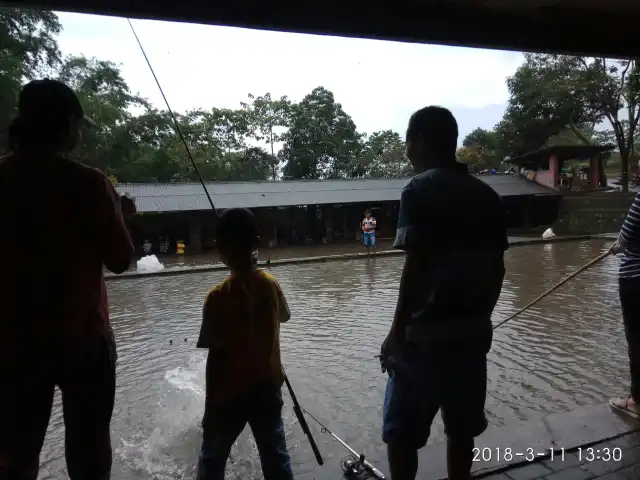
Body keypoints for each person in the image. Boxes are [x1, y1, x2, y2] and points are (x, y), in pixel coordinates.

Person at [0, 79, 136, 480]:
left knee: (15, 454)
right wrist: (123, 218)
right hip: (83, 341)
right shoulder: (89, 184)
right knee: (90, 452)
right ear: (68, 125)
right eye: (80, 125)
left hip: (12, 342)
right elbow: (120, 259)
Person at [379, 106, 508, 480]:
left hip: (424, 340)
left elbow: (418, 270)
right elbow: (498, 270)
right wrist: (483, 319)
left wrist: (396, 334)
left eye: (407, 141)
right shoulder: (488, 197)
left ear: (418, 141)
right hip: (471, 336)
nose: (406, 150)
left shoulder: (418, 189)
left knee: (402, 435)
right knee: (462, 430)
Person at [195, 208, 294, 480]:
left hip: (230, 395)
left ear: (219, 248)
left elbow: (215, 359)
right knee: (276, 457)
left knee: (212, 458)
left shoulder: (216, 298)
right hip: (267, 388)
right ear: (258, 242)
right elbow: (284, 316)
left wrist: (209, 408)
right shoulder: (270, 284)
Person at [609, 194, 640, 418]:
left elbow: (627, 234)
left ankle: (637, 402)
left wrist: (619, 245)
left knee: (637, 341)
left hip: (636, 277)